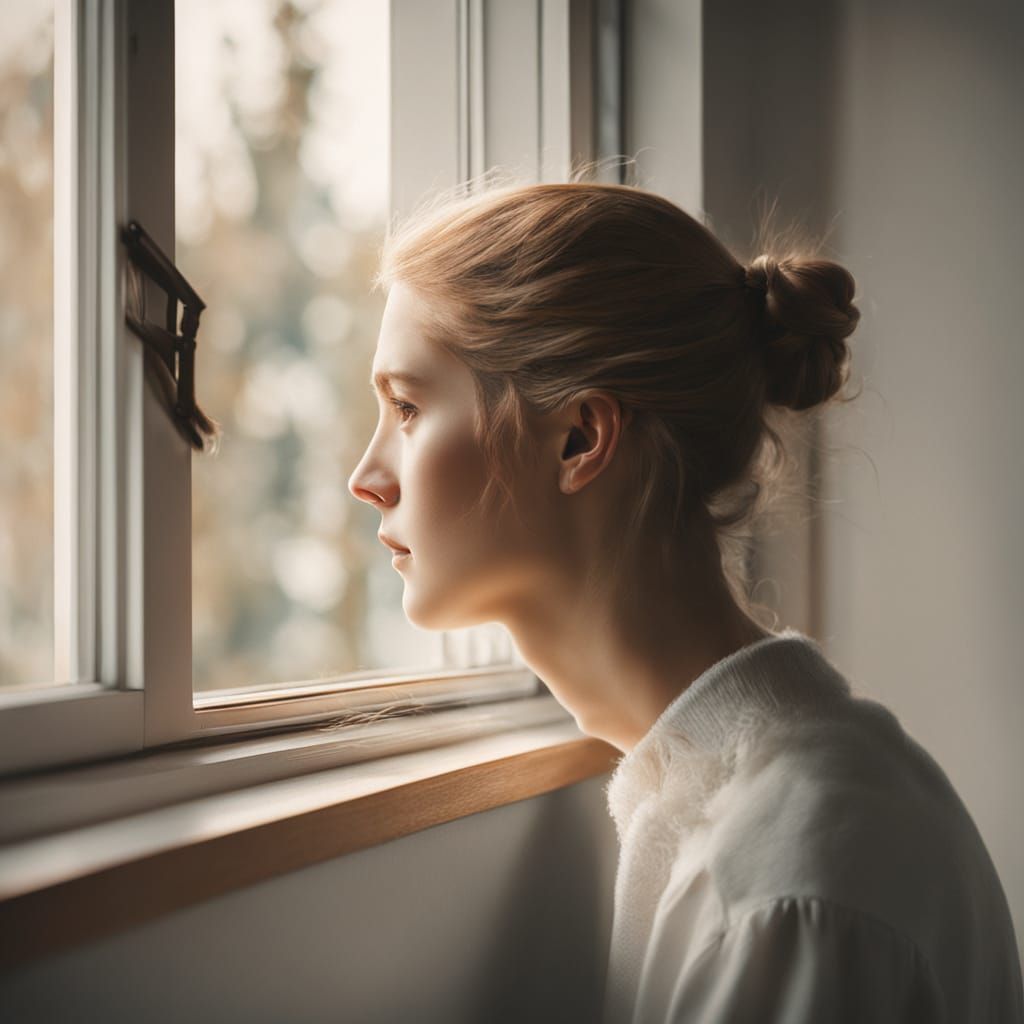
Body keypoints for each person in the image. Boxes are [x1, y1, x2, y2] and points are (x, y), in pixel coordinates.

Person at [347, 177, 1024, 1022]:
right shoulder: (751, 810)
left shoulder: (780, 894)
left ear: (581, 438)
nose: (365, 478)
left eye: (407, 407)